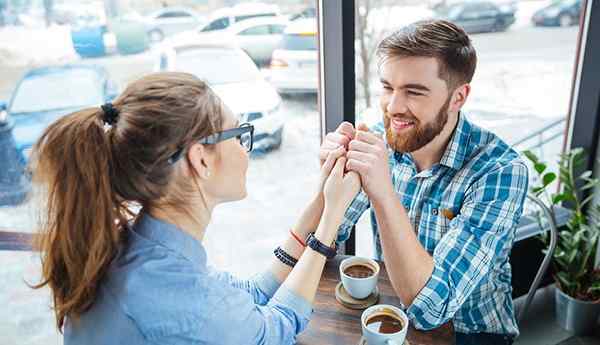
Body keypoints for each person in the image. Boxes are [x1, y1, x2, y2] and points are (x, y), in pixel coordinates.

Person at [31, 72, 361, 344]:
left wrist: (319, 203)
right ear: (201, 159)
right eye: (238, 133)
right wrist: (332, 219)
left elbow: (249, 296)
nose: (245, 149)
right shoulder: (179, 293)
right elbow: (276, 330)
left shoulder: (142, 248)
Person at [320, 20, 528, 345]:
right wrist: (330, 179)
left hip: (472, 331)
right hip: (394, 305)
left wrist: (383, 191)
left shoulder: (500, 172)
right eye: (388, 87)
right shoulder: (384, 140)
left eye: (414, 92)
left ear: (458, 97)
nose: (393, 108)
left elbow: (432, 311)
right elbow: (324, 239)